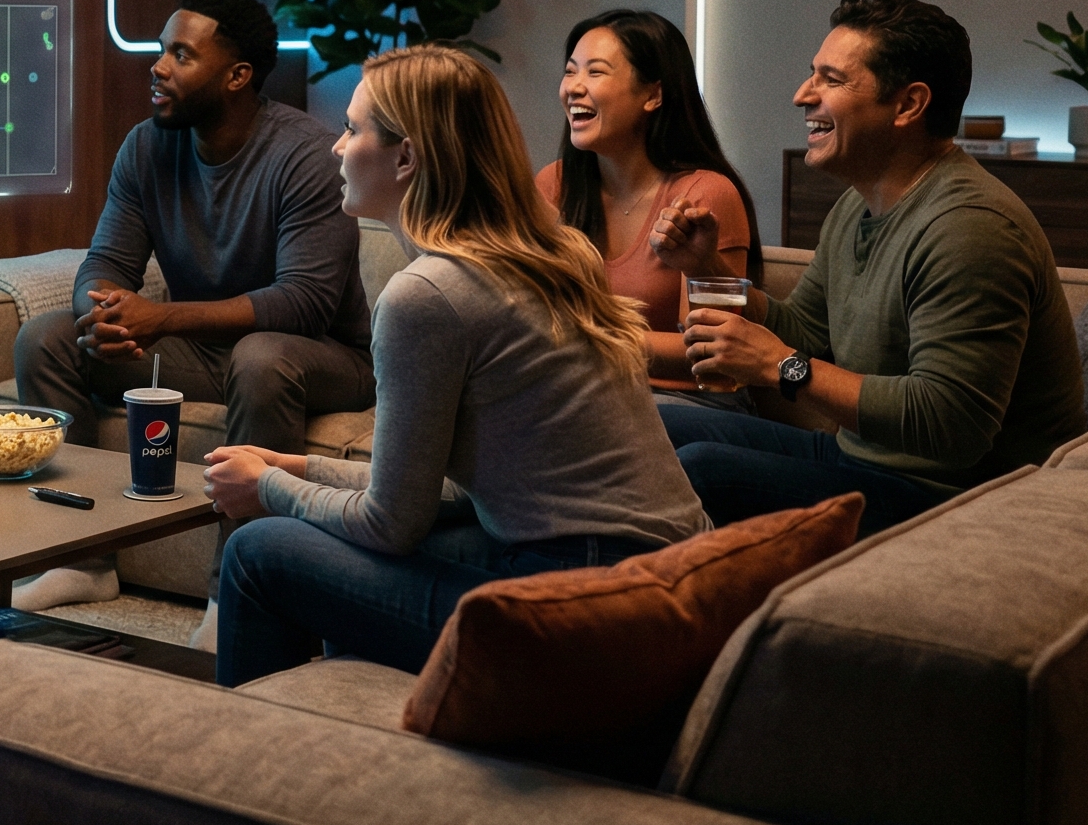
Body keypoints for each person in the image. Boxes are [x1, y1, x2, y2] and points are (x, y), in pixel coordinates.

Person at [204, 44, 710, 685]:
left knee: (257, 550)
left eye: (353, 129)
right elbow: (445, 491)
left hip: (580, 606)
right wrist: (297, 467)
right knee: (344, 536)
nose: (337, 147)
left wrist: (268, 489)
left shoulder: (427, 296)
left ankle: (244, 746)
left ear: (406, 157)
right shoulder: (558, 252)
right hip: (662, 583)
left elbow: (389, 524)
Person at [663, 0, 1084, 535]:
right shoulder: (856, 205)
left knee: (701, 470)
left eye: (832, 80)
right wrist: (708, 267)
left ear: (908, 104)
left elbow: (952, 424)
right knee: (656, 424)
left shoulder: (969, 228)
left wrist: (782, 367)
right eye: (812, 74)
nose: (801, 95)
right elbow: (805, 329)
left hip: (961, 499)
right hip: (865, 460)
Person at [12, 0, 375, 615]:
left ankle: (234, 599)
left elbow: (305, 303)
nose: (157, 67)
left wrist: (161, 318)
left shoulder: (305, 156)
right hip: (204, 354)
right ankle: (80, 560)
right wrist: (101, 313)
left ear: (237, 76)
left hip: (321, 358)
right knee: (46, 340)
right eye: (161, 51)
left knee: (261, 359)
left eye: (181, 55)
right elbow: (107, 261)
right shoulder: (146, 147)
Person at [534, 10, 761, 401]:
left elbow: (709, 352)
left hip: (687, 403)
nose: (573, 87)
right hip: (580, 392)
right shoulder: (554, 185)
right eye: (570, 72)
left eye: (595, 72)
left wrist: (584, 341)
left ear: (653, 95)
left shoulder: (703, 195)